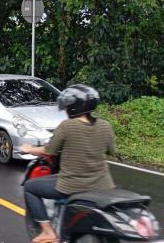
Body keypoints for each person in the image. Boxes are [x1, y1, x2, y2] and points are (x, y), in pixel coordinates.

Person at [21, 84, 116, 243]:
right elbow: (111, 151)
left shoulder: (67, 126)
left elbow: (49, 150)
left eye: (66, 106)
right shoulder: (105, 125)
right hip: (103, 184)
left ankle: (48, 232)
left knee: (30, 187)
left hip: (71, 185)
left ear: (72, 107)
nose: (65, 109)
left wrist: (30, 148)